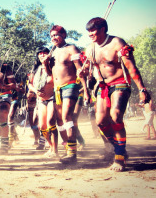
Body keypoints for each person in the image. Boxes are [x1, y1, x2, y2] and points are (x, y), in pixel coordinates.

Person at [81, 17, 151, 172]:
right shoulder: (90, 48)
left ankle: (119, 158)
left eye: (93, 30)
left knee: (116, 116)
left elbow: (131, 67)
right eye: (88, 31)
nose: (90, 34)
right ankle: (118, 148)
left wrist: (142, 89)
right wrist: (85, 73)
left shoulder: (117, 43)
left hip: (120, 83)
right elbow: (91, 70)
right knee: (100, 122)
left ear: (103, 29)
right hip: (103, 86)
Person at [44, 25, 89, 164]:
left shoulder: (71, 49)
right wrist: (45, 64)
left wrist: (86, 90)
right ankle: (70, 150)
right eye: (51, 36)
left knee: (66, 116)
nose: (54, 38)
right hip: (57, 89)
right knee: (59, 121)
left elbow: (80, 69)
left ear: (63, 35)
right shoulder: (51, 53)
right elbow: (50, 74)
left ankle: (72, 154)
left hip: (70, 85)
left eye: (56, 35)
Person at [28, 47, 58, 157]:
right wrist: (36, 91)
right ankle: (50, 146)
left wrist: (47, 66)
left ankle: (55, 150)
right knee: (42, 126)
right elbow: (30, 84)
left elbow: (57, 80)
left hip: (52, 98)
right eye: (40, 53)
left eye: (44, 53)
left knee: (51, 122)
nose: (42, 55)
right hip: (41, 100)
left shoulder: (53, 67)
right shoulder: (35, 70)